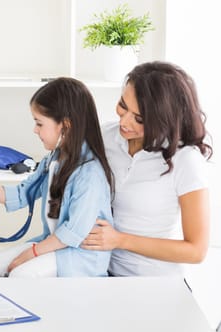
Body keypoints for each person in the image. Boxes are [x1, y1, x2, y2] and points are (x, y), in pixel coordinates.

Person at [0, 77, 114, 277]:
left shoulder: (89, 173)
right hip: (54, 242)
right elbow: (21, 194)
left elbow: (73, 232)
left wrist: (31, 253)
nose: (35, 130)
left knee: (21, 274)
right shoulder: (53, 159)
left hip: (79, 254)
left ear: (66, 126)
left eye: (39, 123)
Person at [81, 61, 212, 276]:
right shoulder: (105, 137)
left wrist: (120, 240)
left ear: (164, 119)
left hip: (154, 280)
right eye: (123, 105)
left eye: (139, 118)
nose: (124, 121)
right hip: (101, 273)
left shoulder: (185, 160)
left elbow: (196, 251)